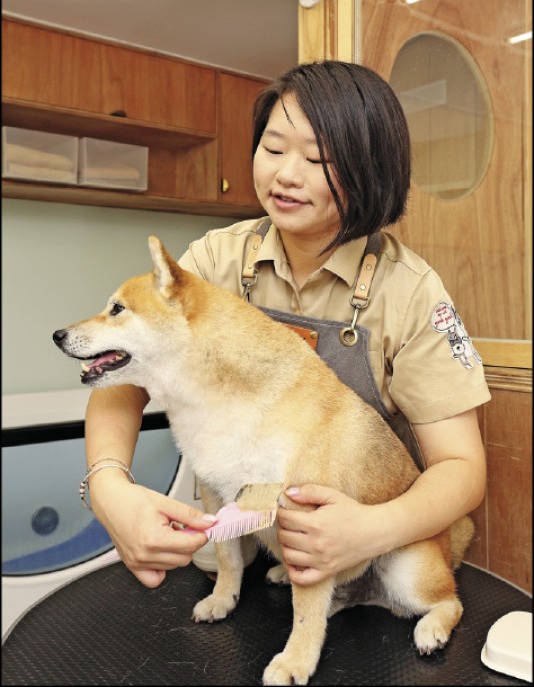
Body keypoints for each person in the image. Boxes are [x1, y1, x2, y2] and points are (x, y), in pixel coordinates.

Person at [84, 60, 489, 590]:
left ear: (372, 170)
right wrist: (108, 486)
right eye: (273, 149)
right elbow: (127, 373)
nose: (286, 175)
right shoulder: (215, 261)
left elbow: (462, 466)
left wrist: (371, 529)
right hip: (260, 553)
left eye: (318, 158)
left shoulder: (412, 292)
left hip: (371, 548)